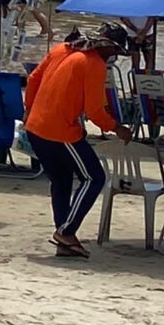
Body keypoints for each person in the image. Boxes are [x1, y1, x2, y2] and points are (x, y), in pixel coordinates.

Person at [24, 23, 132, 259]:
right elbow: (95, 112)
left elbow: (32, 80)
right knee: (95, 177)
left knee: (61, 181)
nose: (113, 57)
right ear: (107, 47)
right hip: (60, 132)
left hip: (35, 127)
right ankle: (66, 231)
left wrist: (29, 110)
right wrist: (117, 128)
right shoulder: (94, 65)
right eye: (113, 52)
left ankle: (65, 242)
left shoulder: (61, 49)